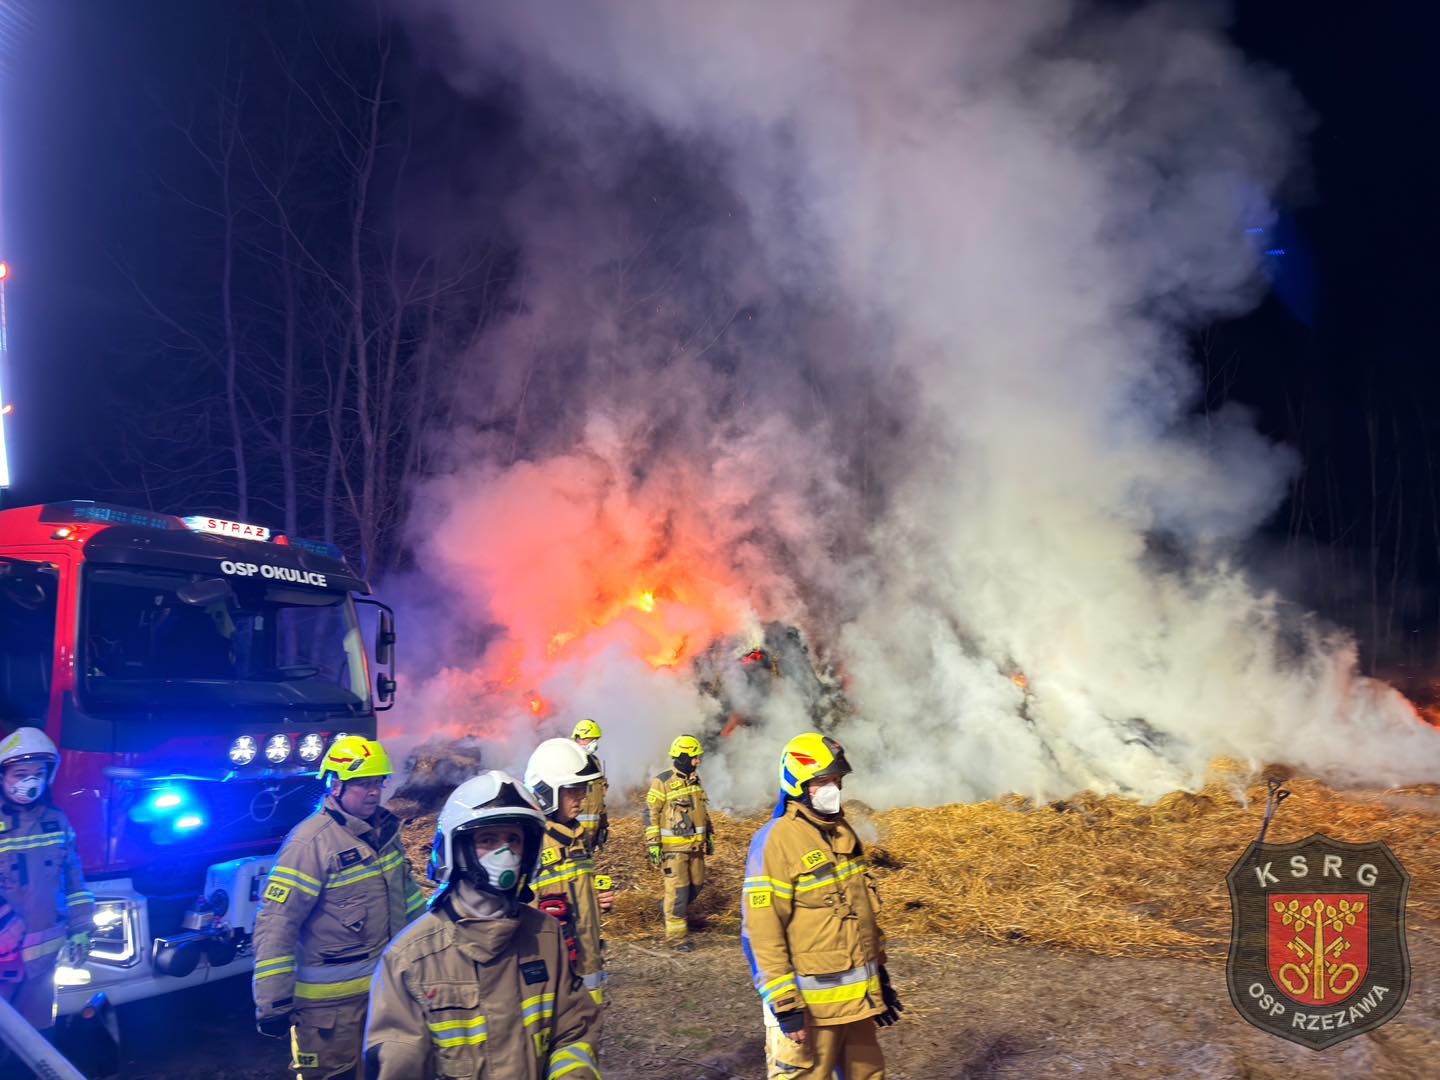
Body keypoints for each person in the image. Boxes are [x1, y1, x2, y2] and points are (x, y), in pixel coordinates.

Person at [364, 771, 601, 1079]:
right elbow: (397, 1066)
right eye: (487, 840)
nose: (505, 854)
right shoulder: (410, 958)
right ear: (455, 848)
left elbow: (574, 1031)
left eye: (513, 840)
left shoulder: (544, 935)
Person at [252, 735, 425, 1080]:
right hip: (328, 1015)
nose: (374, 792)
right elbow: (277, 924)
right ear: (335, 785)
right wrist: (273, 1002)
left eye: (378, 782)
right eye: (362, 784)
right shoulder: (310, 844)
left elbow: (411, 903)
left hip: (385, 997)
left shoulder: (385, 834)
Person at [740, 733, 902, 1079]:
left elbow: (862, 914)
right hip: (810, 1014)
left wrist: (881, 977)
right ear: (798, 784)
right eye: (823, 781)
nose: (834, 789)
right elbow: (761, 932)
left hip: (859, 1008)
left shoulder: (842, 832)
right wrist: (785, 1005)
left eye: (837, 781)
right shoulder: (776, 841)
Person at [0, 727, 94, 1031]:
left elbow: (74, 881)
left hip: (43, 959)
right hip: (3, 958)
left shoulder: (57, 822)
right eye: (20, 773)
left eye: (38, 772)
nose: (30, 781)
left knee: (37, 1038)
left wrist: (81, 928)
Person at [524, 738, 607, 1005]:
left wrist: (597, 899)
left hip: (587, 967)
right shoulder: (529, 845)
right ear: (545, 791)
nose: (582, 796)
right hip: (551, 979)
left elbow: (576, 894)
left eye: (583, 789)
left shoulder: (576, 837)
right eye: (573, 790)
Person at [644, 734, 713, 951]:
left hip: (695, 848)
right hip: (673, 850)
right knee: (679, 891)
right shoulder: (662, 782)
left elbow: (702, 810)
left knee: (697, 885)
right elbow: (650, 814)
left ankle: (668, 908)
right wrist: (654, 843)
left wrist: (709, 835)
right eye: (694, 757)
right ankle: (676, 938)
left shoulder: (695, 781)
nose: (698, 761)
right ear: (682, 757)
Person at [570, 720, 609, 854]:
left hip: (591, 836)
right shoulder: (568, 761)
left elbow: (600, 799)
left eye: (596, 739)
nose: (594, 743)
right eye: (591, 739)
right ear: (579, 738)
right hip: (573, 836)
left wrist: (603, 826)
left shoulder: (595, 762)